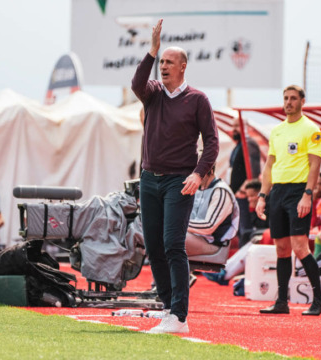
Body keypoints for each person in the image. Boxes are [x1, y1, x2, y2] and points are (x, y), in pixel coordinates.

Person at [131, 19, 219, 334]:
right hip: (149, 179)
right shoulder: (152, 93)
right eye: (162, 62)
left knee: (172, 243)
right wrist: (152, 51)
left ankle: (179, 316)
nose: (164, 66)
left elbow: (212, 142)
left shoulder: (198, 100)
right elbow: (137, 83)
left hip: (178, 181)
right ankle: (169, 309)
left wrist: (198, 173)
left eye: (169, 62)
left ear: (182, 67)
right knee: (153, 246)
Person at [255, 85, 321, 316]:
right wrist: (262, 196)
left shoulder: (312, 129)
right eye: (285, 98)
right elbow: (269, 166)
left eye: (293, 98)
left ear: (302, 101)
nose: (288, 102)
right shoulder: (276, 131)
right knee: (282, 248)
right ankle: (281, 302)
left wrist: (308, 193)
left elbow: (315, 165)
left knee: (299, 246)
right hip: (277, 192)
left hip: (298, 192)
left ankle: (319, 301)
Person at [203, 179, 269, 286]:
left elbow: (265, 227)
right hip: (261, 238)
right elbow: (251, 227)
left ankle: (224, 273)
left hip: (269, 238)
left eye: (252, 195)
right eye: (248, 197)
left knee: (253, 243)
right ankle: (224, 272)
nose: (250, 199)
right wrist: (248, 205)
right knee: (251, 241)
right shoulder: (255, 208)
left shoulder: (269, 205)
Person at [185, 164, 239, 257]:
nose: (192, 176)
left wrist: (178, 224)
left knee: (171, 234)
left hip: (212, 244)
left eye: (196, 173)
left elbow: (208, 226)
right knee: (157, 229)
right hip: (196, 238)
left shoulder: (221, 191)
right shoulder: (198, 188)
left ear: (210, 171)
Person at [229, 117, 261, 242]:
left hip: (243, 196)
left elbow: (254, 171)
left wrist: (242, 191)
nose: (234, 129)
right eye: (233, 126)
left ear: (246, 128)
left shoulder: (249, 144)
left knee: (245, 231)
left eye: (238, 126)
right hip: (236, 195)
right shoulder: (237, 146)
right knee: (239, 230)